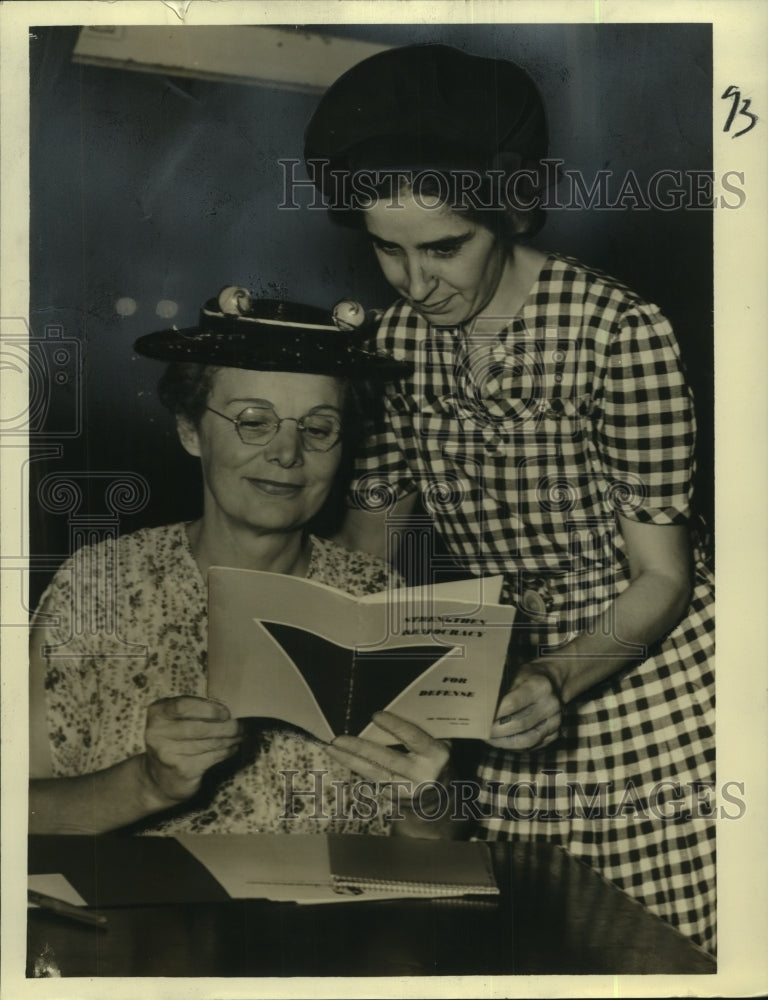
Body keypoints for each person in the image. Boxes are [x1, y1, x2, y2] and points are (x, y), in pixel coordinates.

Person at [304, 44, 716, 952]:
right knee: (526, 941)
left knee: (654, 948)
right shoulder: (391, 345)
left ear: (512, 212)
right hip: (492, 675)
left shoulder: (619, 330)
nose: (415, 283)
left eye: (445, 248)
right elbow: (369, 548)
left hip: (637, 674)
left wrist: (558, 676)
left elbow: (662, 576)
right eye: (387, 249)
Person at [28, 288, 452, 838]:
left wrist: (429, 805)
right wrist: (149, 784)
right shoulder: (100, 585)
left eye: (318, 428)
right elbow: (17, 810)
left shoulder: (380, 597)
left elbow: (428, 846)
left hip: (331, 898)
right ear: (190, 429)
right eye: (253, 420)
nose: (287, 453)